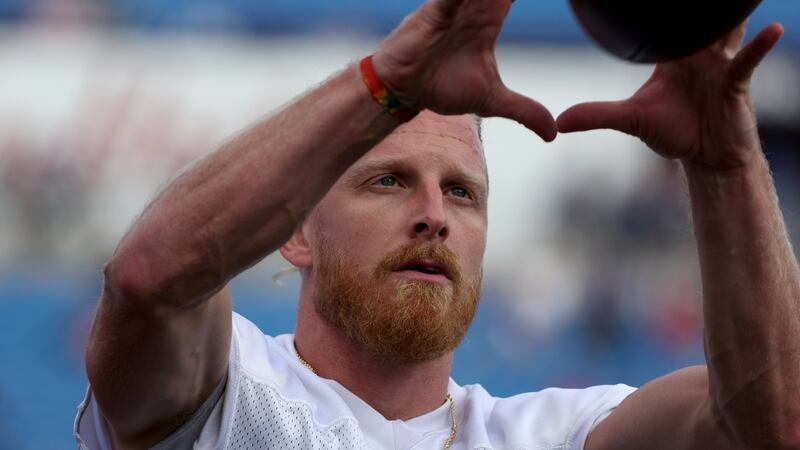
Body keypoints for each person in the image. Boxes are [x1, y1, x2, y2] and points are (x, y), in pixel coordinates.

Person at [75, 0, 799, 449]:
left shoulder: (556, 435)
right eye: (387, 181)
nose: (432, 217)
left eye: (462, 193)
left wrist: (725, 164)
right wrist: (385, 84)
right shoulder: (228, 390)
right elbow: (147, 282)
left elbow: (772, 427)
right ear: (294, 233)